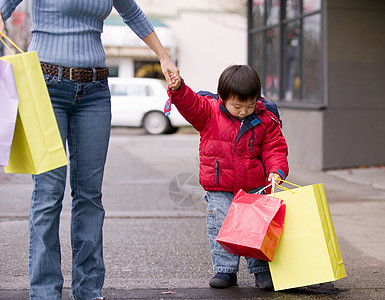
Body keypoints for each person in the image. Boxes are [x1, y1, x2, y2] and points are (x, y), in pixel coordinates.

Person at [0, 1, 178, 299]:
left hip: (95, 90)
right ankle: (45, 292)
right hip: (44, 85)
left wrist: (164, 56)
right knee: (48, 193)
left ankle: (88, 290)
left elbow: (131, 12)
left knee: (90, 195)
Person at [167, 65, 289, 290]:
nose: (244, 111)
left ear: (257, 99)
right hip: (219, 186)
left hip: (255, 187)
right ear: (222, 97)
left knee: (257, 229)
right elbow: (190, 103)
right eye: (237, 106)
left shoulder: (265, 118)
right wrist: (178, 88)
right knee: (220, 226)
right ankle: (225, 270)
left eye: (250, 105)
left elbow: (275, 148)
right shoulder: (209, 112)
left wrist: (276, 170)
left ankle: (261, 271)